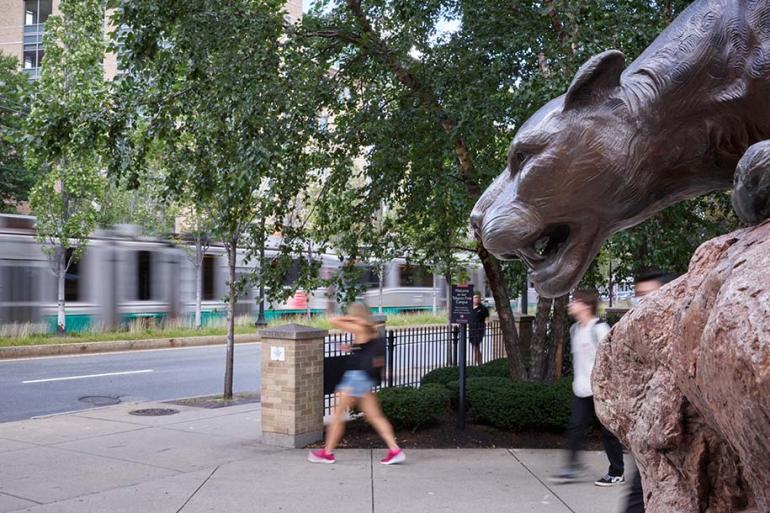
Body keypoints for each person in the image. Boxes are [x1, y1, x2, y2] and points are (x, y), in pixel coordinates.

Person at [308, 303, 405, 465]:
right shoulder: (371, 329)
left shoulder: (360, 328)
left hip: (355, 377)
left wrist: (351, 318)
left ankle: (327, 453)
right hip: (364, 378)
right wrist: (352, 347)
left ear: (356, 315)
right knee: (374, 416)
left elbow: (333, 321)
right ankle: (395, 450)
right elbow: (367, 348)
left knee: (337, 414)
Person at [553, 289, 625, 486]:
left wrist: (609, 387)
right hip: (581, 389)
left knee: (608, 432)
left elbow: (612, 358)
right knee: (575, 427)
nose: (570, 305)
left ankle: (617, 472)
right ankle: (572, 466)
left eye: (574, 301)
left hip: (601, 390)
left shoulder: (600, 329)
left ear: (585, 305)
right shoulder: (575, 329)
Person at [621, 270, 677, 513]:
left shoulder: (682, 332)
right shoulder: (640, 336)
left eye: (648, 295)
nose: (641, 302)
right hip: (649, 435)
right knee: (637, 496)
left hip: (676, 438)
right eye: (639, 296)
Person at [468, 293, 490, 365]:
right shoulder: (470, 308)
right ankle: (479, 363)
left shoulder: (483, 308)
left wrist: (485, 325)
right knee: (474, 347)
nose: (476, 299)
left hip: (479, 329)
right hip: (471, 330)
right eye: (474, 298)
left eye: (477, 298)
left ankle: (475, 363)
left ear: (480, 299)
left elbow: (487, 319)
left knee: (476, 345)